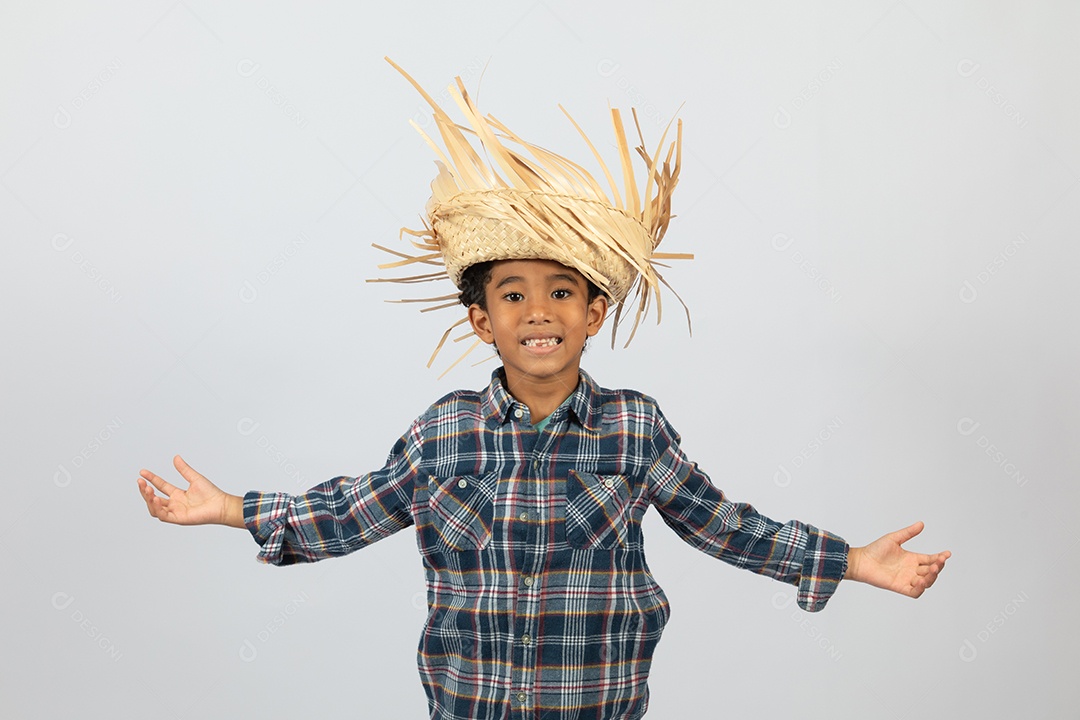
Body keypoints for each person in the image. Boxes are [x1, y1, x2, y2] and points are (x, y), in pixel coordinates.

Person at [137, 58, 950, 720]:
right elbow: (353, 510)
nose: (538, 312)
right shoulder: (442, 434)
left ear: (595, 312)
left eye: (562, 292)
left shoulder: (634, 429)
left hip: (598, 702)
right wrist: (234, 508)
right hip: (468, 705)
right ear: (481, 321)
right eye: (513, 293)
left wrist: (847, 562)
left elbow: (719, 524)